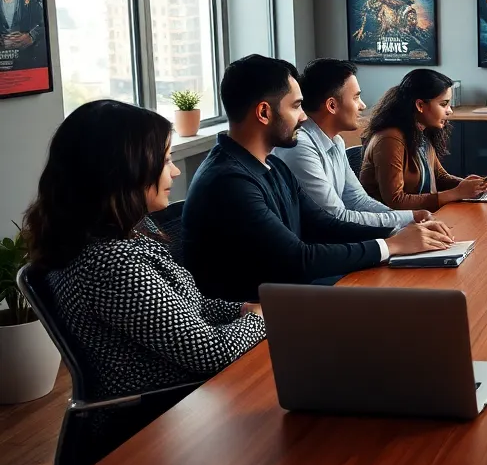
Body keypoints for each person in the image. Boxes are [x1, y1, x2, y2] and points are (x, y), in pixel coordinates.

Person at [21, 100, 264, 401]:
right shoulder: (110, 263)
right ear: (124, 170)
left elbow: (190, 307)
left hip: (195, 397)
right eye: (165, 160)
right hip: (167, 411)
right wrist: (258, 320)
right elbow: (210, 353)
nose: (175, 171)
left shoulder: (124, 231)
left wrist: (243, 309)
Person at [183, 55, 454, 302]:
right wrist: (391, 245)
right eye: (296, 107)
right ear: (264, 113)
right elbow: (298, 258)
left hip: (287, 293)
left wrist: (399, 233)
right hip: (260, 315)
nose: (304, 117)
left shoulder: (271, 165)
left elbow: (324, 223)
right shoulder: (229, 181)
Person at [273, 58, 432, 229]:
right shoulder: (300, 146)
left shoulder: (336, 141)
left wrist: (410, 221)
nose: (362, 105)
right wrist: (409, 219)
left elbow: (358, 201)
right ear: (332, 105)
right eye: (356, 97)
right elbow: (335, 217)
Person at [360, 68, 487, 209]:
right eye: (443, 104)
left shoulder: (420, 132)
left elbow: (439, 177)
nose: (450, 111)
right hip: (394, 220)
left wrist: (472, 186)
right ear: (420, 105)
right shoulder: (389, 140)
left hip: (420, 216)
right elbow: (396, 201)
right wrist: (457, 192)